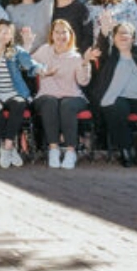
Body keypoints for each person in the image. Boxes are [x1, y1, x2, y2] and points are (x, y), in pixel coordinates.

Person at [89, 22, 137, 168]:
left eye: (127, 33)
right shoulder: (110, 54)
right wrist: (104, 32)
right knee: (115, 109)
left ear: (133, 38)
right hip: (117, 95)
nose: (123, 36)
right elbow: (102, 47)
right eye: (120, 33)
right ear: (114, 37)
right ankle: (125, 149)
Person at [31, 20, 95, 169]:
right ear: (52, 35)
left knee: (67, 105)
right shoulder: (44, 50)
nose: (60, 36)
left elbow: (83, 82)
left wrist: (85, 63)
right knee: (50, 102)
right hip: (47, 94)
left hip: (72, 94)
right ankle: (53, 149)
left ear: (70, 35)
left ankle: (71, 151)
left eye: (64, 32)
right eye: (57, 32)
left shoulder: (76, 56)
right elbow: (28, 64)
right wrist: (42, 70)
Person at [0, 20, 40, 169]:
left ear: (11, 36)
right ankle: (10, 147)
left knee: (19, 103)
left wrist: (42, 69)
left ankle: (6, 145)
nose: (2, 34)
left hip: (13, 92)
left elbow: (30, 64)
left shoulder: (16, 51)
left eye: (6, 32)